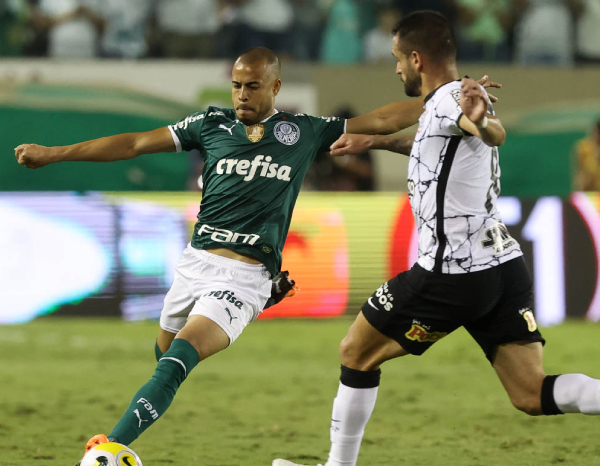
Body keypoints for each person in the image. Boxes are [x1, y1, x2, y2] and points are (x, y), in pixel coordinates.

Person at [15, 46, 436, 465]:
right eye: (236, 86)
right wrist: (54, 153)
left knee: (177, 361)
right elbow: (136, 143)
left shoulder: (303, 130)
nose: (242, 96)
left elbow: (381, 119)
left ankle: (109, 448)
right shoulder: (209, 124)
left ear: (275, 87)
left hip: (244, 277)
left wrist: (441, 94)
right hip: (194, 264)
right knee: (164, 358)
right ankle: (120, 438)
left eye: (252, 87)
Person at [273, 11, 600, 466]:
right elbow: (439, 143)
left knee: (355, 352)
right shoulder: (452, 100)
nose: (396, 69)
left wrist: (484, 121)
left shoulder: (456, 102)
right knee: (530, 392)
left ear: (416, 57)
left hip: (452, 272)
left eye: (397, 59)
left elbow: (491, 134)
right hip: (503, 266)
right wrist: (379, 143)